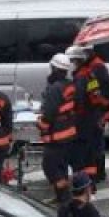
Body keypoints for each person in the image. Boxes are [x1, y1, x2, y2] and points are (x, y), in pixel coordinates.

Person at [68, 44, 109, 181]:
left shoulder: (95, 68)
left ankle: (96, 175)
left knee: (93, 145)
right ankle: (96, 175)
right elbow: (93, 92)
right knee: (93, 145)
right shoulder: (88, 71)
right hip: (93, 112)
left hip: (90, 115)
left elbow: (102, 90)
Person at [38, 53, 79, 204]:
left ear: (54, 68)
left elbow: (49, 112)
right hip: (68, 131)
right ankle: (61, 196)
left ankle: (65, 197)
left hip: (58, 134)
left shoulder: (55, 88)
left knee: (50, 166)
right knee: (61, 166)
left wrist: (41, 124)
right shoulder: (70, 84)